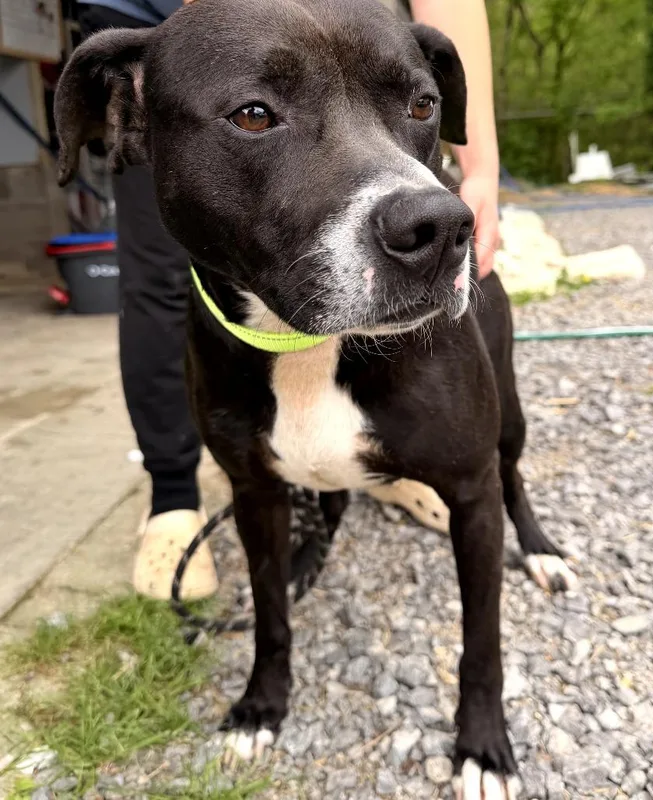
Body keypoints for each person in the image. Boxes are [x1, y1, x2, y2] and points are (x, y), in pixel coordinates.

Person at [75, 0, 500, 600]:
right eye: (256, 115)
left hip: (347, 20)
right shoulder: (151, 78)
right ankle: (174, 497)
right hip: (181, 29)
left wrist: (479, 166)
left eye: (421, 106)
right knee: (157, 279)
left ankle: (381, 457)